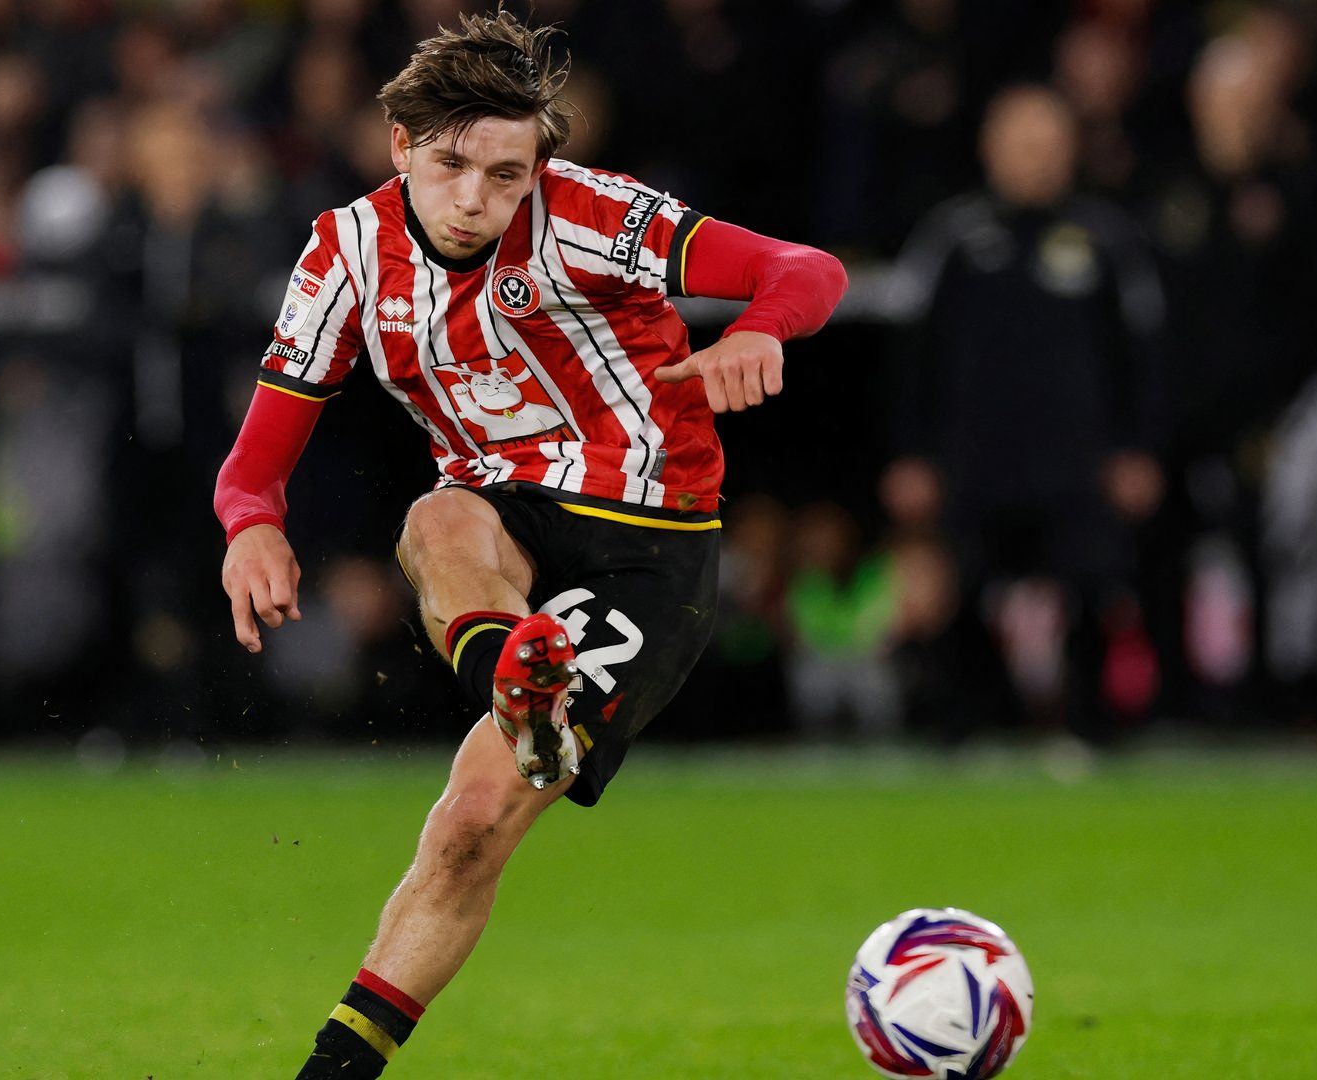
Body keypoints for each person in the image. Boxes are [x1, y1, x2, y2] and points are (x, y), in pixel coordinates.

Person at [210, 13, 846, 1078]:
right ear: (402, 148)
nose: (476, 200)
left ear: (536, 164)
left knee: (471, 823)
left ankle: (522, 693)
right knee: (434, 516)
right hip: (501, 522)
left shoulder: (592, 215)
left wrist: (757, 330)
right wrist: (253, 529)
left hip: (646, 548)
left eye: (506, 174)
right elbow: (254, 461)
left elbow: (805, 266)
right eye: (453, 165)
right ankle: (519, 674)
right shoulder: (346, 254)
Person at [884, 85, 1166, 740]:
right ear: (991, 149)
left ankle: (1096, 731)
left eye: (1048, 145)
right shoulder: (950, 239)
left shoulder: (1106, 239)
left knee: (1098, 592)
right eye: (1022, 145)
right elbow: (910, 359)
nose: (1036, 159)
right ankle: (969, 725)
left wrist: (1138, 448)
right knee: (958, 599)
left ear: (1071, 151)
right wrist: (910, 453)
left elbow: (1143, 357)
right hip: (973, 463)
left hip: (1078, 466)